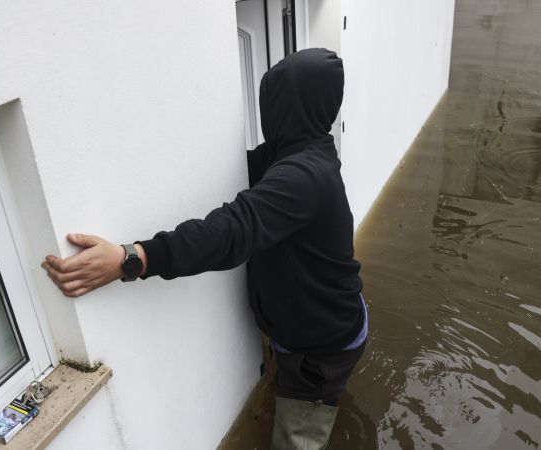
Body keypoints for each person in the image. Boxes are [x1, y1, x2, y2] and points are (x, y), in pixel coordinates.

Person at [41, 48, 367, 449]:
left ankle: (319, 400)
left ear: (287, 107)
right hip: (321, 318)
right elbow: (223, 168)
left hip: (320, 347)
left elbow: (229, 231)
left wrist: (132, 258)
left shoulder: (304, 176)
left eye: (273, 100)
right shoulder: (293, 153)